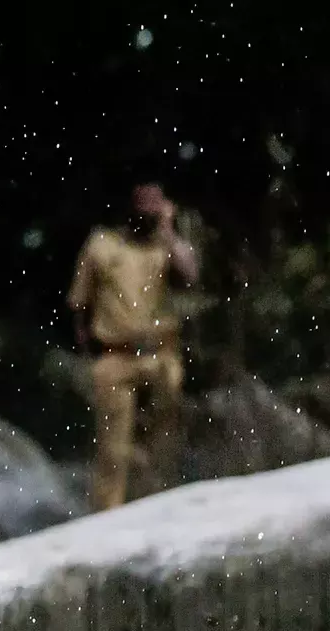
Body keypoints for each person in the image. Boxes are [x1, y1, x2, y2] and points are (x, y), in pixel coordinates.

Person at [67, 182, 200, 510]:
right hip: (116, 356)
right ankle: (108, 516)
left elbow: (190, 276)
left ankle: (157, 509)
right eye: (143, 204)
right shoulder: (102, 245)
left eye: (156, 204)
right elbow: (79, 306)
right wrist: (89, 355)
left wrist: (167, 229)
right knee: (113, 451)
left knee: (163, 445)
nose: (148, 212)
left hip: (161, 355)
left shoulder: (165, 247)